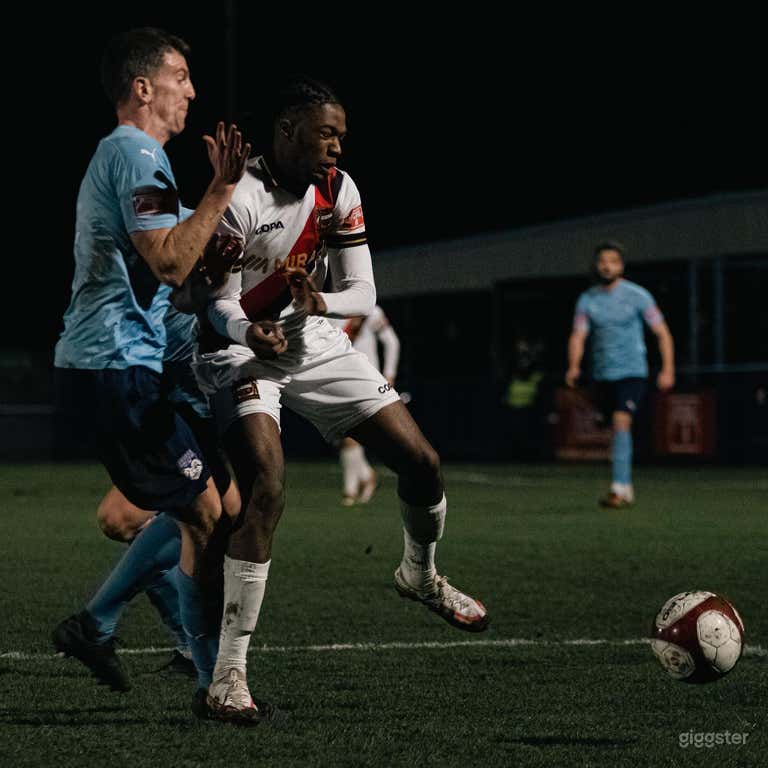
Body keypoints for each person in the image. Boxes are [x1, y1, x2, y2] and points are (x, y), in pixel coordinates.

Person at [189, 75, 489, 720]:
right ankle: (228, 676)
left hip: (314, 337)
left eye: (343, 136)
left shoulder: (338, 189)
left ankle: (420, 573)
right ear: (288, 129)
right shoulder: (238, 197)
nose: (337, 147)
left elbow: (363, 291)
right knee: (267, 485)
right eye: (327, 133)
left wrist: (317, 302)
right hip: (239, 350)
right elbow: (215, 302)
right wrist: (249, 330)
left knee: (421, 461)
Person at [52, 27, 250, 718]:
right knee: (204, 514)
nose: (192, 90)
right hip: (118, 366)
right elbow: (168, 261)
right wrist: (221, 192)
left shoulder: (136, 158)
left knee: (208, 509)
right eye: (180, 77)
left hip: (128, 364)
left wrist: (209, 270)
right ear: (143, 87)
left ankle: (109, 628)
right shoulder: (136, 151)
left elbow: (171, 278)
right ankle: (210, 686)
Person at [53, 305, 240, 692]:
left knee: (129, 516)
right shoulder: (155, 267)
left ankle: (113, 628)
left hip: (176, 379)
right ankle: (99, 626)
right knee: (204, 513)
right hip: (162, 377)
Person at [565, 240, 675, 508]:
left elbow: (662, 333)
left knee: (621, 421)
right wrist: (574, 366)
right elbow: (579, 335)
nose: (607, 266)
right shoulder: (587, 299)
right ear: (596, 265)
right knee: (610, 422)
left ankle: (620, 487)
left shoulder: (638, 296)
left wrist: (668, 368)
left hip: (632, 371)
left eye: (613, 261)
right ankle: (624, 486)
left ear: (621, 266)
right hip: (602, 374)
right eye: (603, 261)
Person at [335, 306, 400, 505]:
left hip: (366, 376)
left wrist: (389, 373)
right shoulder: (330, 309)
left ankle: (350, 490)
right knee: (342, 434)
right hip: (339, 376)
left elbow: (392, 342)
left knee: (349, 433)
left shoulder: (371, 310)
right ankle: (365, 475)